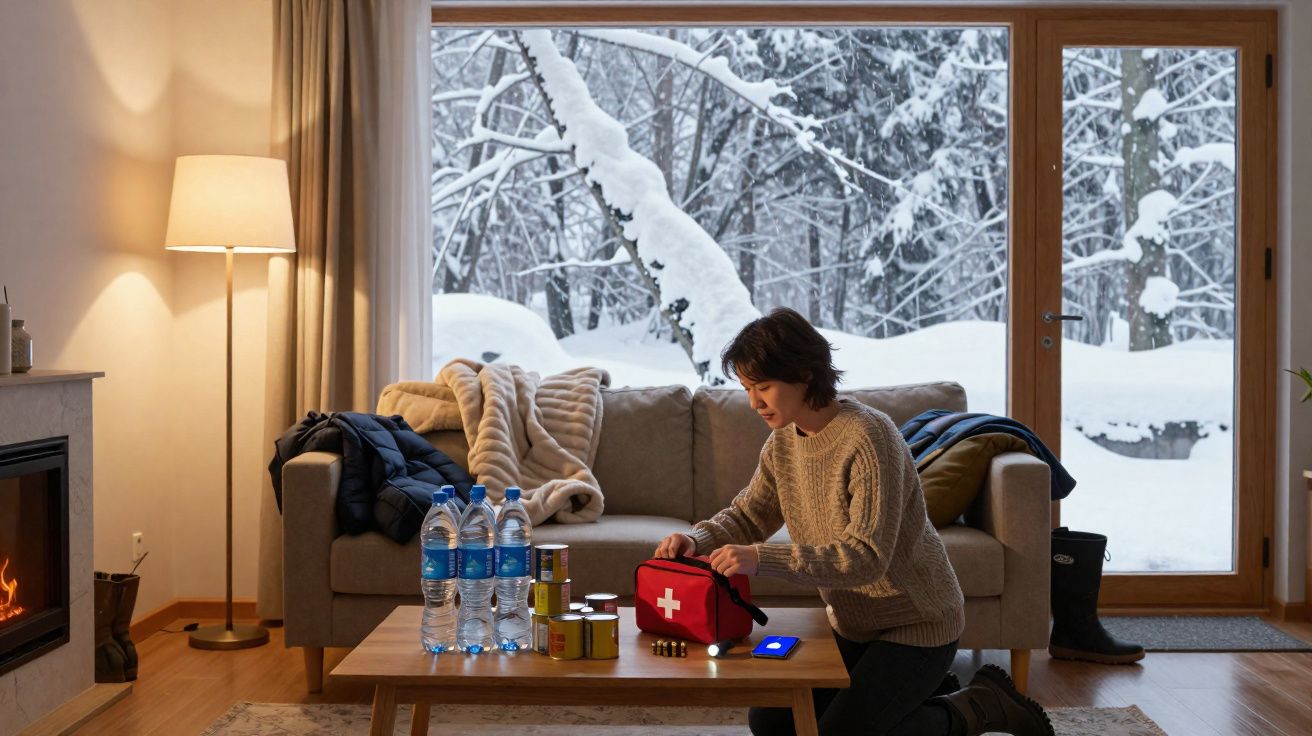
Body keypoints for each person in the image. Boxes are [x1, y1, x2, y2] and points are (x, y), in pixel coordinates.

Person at [654, 308, 1053, 736]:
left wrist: (761, 559)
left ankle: (978, 706)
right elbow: (750, 513)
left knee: (840, 734)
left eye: (764, 387)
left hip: (917, 623)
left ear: (804, 374)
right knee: (770, 720)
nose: (754, 402)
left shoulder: (869, 436)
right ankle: (924, 694)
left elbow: (866, 559)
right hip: (854, 626)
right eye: (748, 388)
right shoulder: (782, 443)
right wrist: (696, 539)